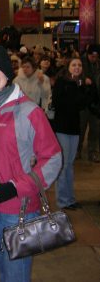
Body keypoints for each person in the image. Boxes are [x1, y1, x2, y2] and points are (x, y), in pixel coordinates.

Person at [0, 46, 62, 282]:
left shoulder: (28, 111)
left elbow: (53, 159)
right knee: (4, 270)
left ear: (6, 73)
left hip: (19, 210)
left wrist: (15, 187)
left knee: (16, 275)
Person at [52, 58, 96, 209]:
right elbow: (64, 104)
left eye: (79, 65)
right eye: (74, 65)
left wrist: (89, 87)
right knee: (64, 165)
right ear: (68, 67)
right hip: (62, 128)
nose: (77, 67)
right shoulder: (62, 83)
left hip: (74, 128)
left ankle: (70, 198)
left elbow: (86, 102)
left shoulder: (80, 84)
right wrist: (80, 92)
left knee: (70, 165)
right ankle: (62, 200)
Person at [79, 44, 100, 162]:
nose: (94, 58)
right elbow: (72, 76)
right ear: (88, 54)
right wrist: (83, 80)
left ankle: (93, 152)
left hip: (96, 103)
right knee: (80, 128)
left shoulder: (98, 64)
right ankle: (77, 150)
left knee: (95, 129)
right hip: (83, 102)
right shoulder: (79, 63)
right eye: (92, 55)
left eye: (96, 56)